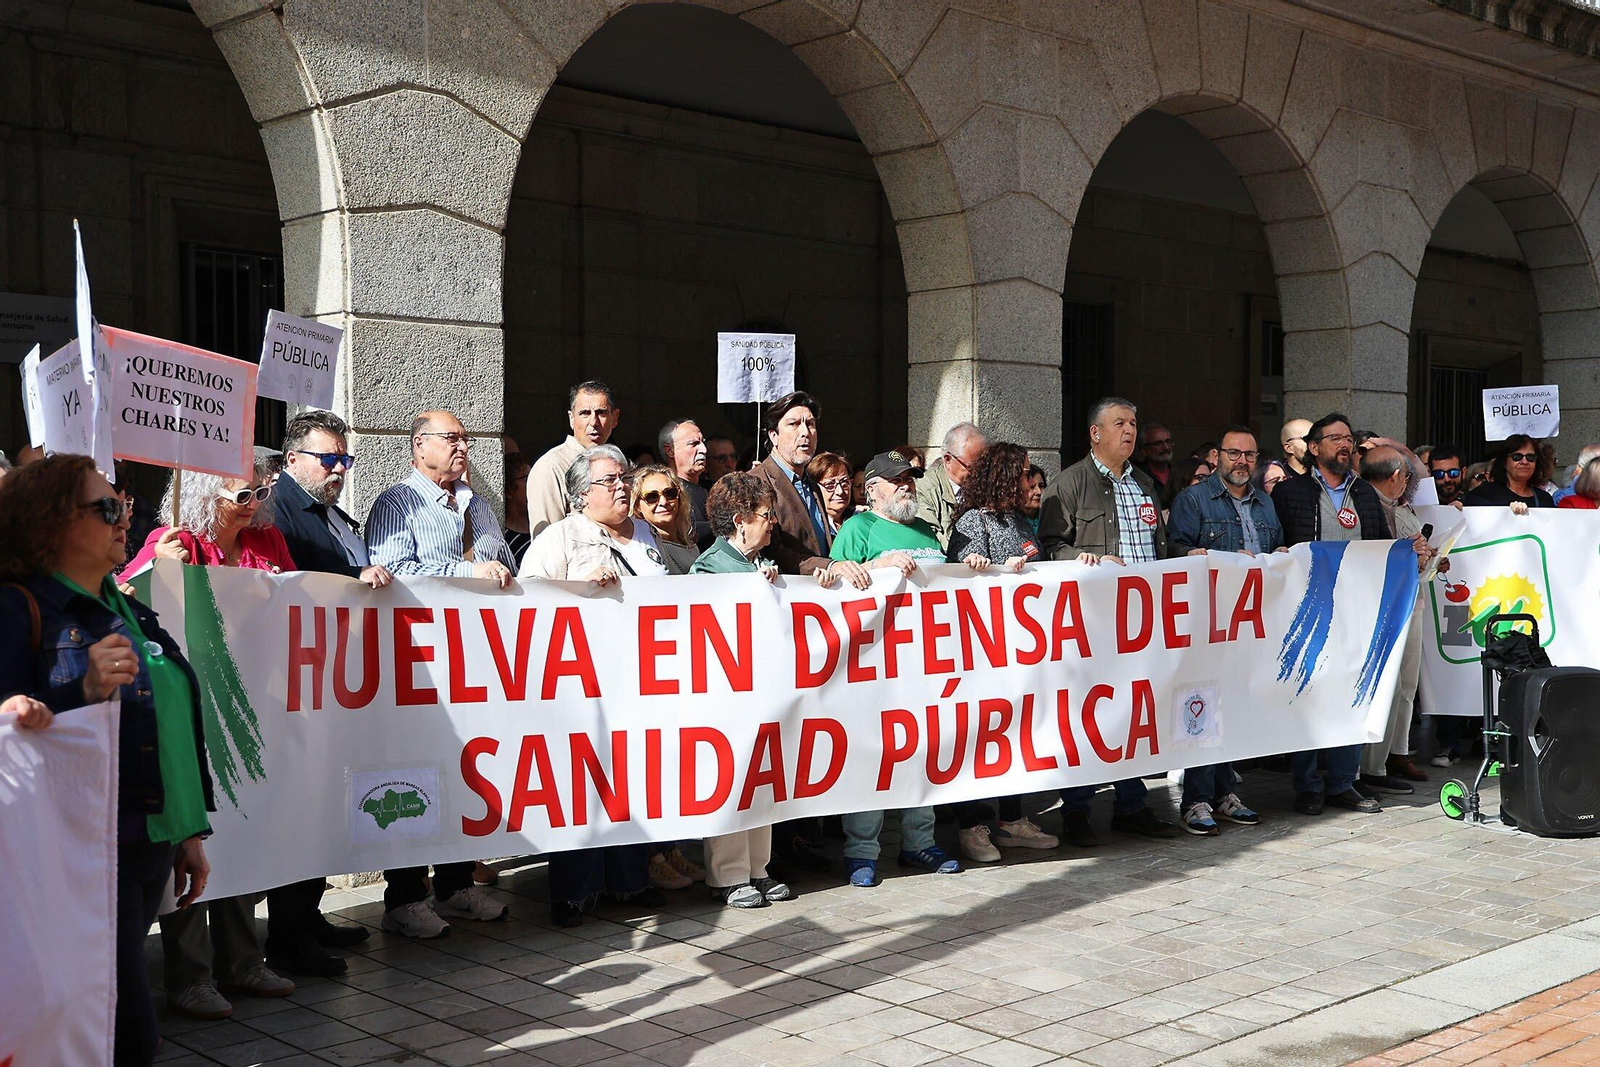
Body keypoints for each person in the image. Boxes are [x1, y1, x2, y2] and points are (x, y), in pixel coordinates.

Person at [0, 455, 213, 1067]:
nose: (126, 519)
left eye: (124, 506)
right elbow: (14, 728)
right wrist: (76, 695)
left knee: (116, 1017)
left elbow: (166, 718)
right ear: (52, 523)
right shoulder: (21, 610)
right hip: (79, 849)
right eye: (107, 509)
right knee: (122, 1028)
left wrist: (187, 829)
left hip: (143, 838)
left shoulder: (123, 604)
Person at [121, 457, 298, 1016]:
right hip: (192, 715)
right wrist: (154, 568)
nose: (256, 503)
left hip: (252, 713)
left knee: (243, 832)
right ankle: (191, 975)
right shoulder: (172, 539)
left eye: (261, 491)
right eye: (243, 494)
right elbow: (124, 601)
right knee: (193, 840)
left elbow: (299, 603)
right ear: (205, 494)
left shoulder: (268, 541)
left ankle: (244, 961)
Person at [367, 410, 514, 938]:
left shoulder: (477, 504)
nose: (462, 448)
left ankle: (455, 885)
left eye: (465, 440)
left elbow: (499, 560)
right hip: (421, 664)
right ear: (418, 446)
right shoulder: (396, 503)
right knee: (416, 773)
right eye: (451, 439)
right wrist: (467, 571)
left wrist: (493, 569)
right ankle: (404, 896)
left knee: (462, 771)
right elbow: (392, 572)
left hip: (473, 661)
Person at [265, 411, 392, 976]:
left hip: (339, 682)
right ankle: (289, 935)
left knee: (328, 804)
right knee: (303, 807)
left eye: (345, 459)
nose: (340, 469)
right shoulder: (279, 509)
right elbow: (288, 585)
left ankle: (308, 915)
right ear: (293, 459)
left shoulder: (333, 512)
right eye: (329, 459)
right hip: (302, 684)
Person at [520, 444, 665, 925]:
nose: (622, 486)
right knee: (580, 787)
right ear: (581, 495)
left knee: (634, 781)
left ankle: (629, 880)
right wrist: (580, 589)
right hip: (579, 687)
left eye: (624, 477)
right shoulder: (558, 539)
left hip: (640, 683)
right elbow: (528, 603)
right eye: (609, 481)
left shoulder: (646, 535)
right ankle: (574, 890)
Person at [831, 451, 990, 886]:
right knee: (873, 759)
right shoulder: (856, 529)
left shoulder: (925, 531)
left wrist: (970, 571)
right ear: (873, 489)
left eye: (911, 479)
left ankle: (918, 844)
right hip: (875, 666)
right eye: (896, 479)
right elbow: (834, 593)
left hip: (926, 666)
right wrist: (872, 567)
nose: (906, 485)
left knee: (922, 753)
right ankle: (862, 852)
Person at [1037, 397, 1179, 845]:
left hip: (1141, 623)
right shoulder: (1069, 483)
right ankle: (1076, 810)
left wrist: (1186, 558)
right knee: (1088, 715)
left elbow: (1156, 549)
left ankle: (1132, 805)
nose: (1130, 431)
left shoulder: (1143, 483)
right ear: (1095, 433)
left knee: (1134, 712)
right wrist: (1083, 559)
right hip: (1092, 625)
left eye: (1133, 423)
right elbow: (1048, 550)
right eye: (1119, 423)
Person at [1273, 413, 1408, 816]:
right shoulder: (1289, 493)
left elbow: (1382, 548)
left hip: (1356, 610)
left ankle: (1343, 783)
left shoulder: (1365, 493)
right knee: (1307, 694)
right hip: (1305, 611)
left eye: (1348, 439)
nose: (1345, 445)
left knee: (1353, 692)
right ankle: (1308, 785)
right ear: (1314, 448)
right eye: (1334, 439)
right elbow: (1277, 547)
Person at [689, 473, 806, 908]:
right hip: (727, 698)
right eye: (765, 514)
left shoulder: (757, 565)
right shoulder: (710, 567)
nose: (773, 522)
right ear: (740, 520)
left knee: (762, 780)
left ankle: (758, 867)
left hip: (762, 694)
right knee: (733, 779)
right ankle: (728, 874)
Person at [944, 442, 1060, 861]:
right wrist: (979, 564)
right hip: (984, 651)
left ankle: (1012, 820)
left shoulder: (1016, 520)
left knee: (1016, 736)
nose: (1029, 480)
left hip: (1020, 651)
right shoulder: (974, 520)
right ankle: (972, 825)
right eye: (1023, 472)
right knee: (980, 738)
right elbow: (958, 570)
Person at [1166, 426, 1279, 835]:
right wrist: (1197, 555)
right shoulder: (1193, 500)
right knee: (1202, 708)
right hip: (1205, 623)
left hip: (1250, 626)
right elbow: (1173, 551)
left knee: (1232, 707)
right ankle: (1195, 800)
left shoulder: (1265, 504)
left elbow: (1276, 550)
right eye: (1234, 453)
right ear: (1217, 456)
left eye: (1250, 455)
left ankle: (1224, 790)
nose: (1242, 462)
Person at [1359, 443, 1433, 794]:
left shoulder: (1401, 506)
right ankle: (1370, 767)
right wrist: (1409, 554)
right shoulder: (1362, 504)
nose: (1407, 481)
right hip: (1379, 607)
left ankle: (1391, 755)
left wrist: (1428, 556)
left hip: (1411, 600)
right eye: (1405, 475)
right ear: (1394, 476)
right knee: (1383, 686)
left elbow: (1416, 551)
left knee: (1405, 685)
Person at [526, 381, 621, 537]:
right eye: (584, 413)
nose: (594, 422)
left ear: (615, 417)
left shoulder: (618, 465)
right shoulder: (551, 466)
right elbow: (548, 541)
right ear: (571, 418)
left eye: (601, 413)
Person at [916, 422, 988, 549]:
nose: (978, 473)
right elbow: (930, 538)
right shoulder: (925, 489)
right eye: (972, 467)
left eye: (983, 466)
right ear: (948, 460)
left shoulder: (985, 485)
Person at [630, 463, 699, 575]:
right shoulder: (642, 549)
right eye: (652, 497)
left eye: (670, 493)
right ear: (637, 505)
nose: (663, 502)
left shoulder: (690, 544)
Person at [1465, 435, 1556, 511]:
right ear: (1504, 462)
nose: (1524, 462)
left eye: (1530, 457)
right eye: (1517, 457)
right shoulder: (1483, 494)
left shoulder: (1544, 499)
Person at [659, 418, 712, 545]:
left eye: (703, 442)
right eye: (693, 444)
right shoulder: (666, 492)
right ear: (670, 451)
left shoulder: (713, 488)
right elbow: (683, 530)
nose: (704, 450)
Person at [806, 450, 854, 533]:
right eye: (830, 485)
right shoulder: (812, 525)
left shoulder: (858, 518)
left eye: (844, 483)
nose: (840, 491)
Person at [504, 452, 533, 566]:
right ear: (509, 490)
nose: (533, 483)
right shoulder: (503, 539)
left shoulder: (545, 529)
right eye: (527, 479)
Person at [1137, 423, 1174, 489]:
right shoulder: (1137, 475)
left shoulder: (1179, 475)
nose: (1166, 447)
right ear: (1144, 450)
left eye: (1168, 442)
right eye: (1158, 443)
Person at [1022, 464, 1045, 529]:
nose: (1039, 492)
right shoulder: (1013, 522)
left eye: (1041, 486)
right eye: (1031, 487)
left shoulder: (1050, 519)